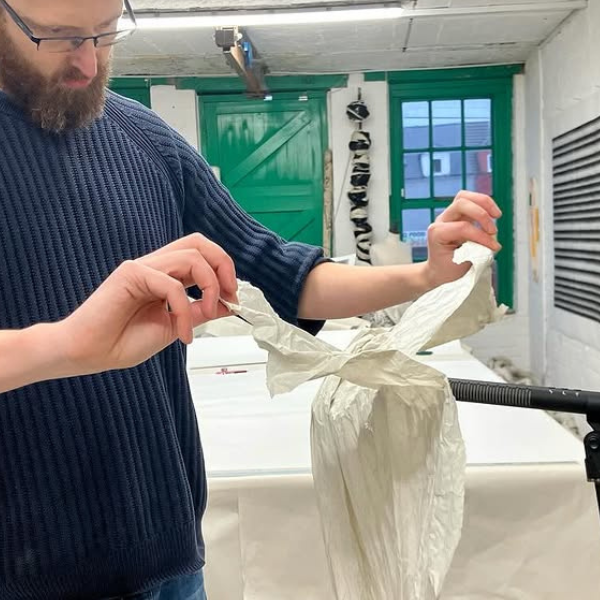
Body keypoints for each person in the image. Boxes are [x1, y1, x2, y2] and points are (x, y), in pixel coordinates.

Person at [0, 0, 502, 598]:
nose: (88, 60)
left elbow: (275, 273)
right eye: (58, 38)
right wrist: (62, 346)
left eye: (105, 33)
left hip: (166, 553)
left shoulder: (143, 139)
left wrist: (424, 275)